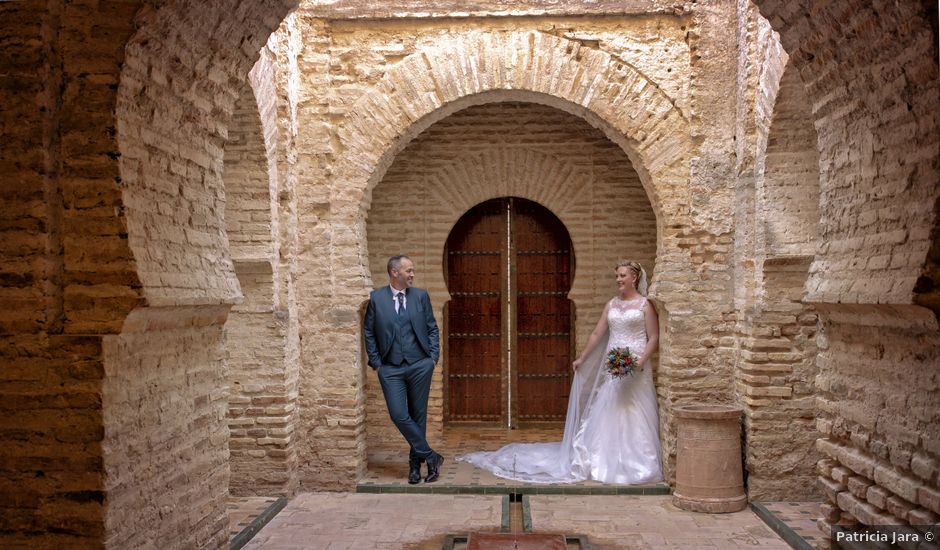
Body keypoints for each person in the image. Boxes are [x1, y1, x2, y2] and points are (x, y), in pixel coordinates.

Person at [457, 260, 663, 484]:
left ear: (634, 277)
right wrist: (582, 358)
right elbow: (597, 333)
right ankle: (604, 459)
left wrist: (640, 362)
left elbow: (653, 337)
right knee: (611, 407)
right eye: (617, 276)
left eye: (622, 276)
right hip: (615, 364)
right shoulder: (612, 304)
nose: (618, 280)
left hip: (637, 365)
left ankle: (636, 463)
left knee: (634, 410)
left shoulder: (645, 305)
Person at [363, 255, 444, 484]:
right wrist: (377, 363)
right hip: (390, 368)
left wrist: (433, 358)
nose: (412, 275)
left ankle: (415, 467)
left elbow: (432, 328)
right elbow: (368, 332)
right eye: (408, 271)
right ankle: (431, 456)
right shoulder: (377, 298)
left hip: (420, 365)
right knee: (399, 414)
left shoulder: (420, 297)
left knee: (418, 417)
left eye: (413, 271)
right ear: (394, 272)